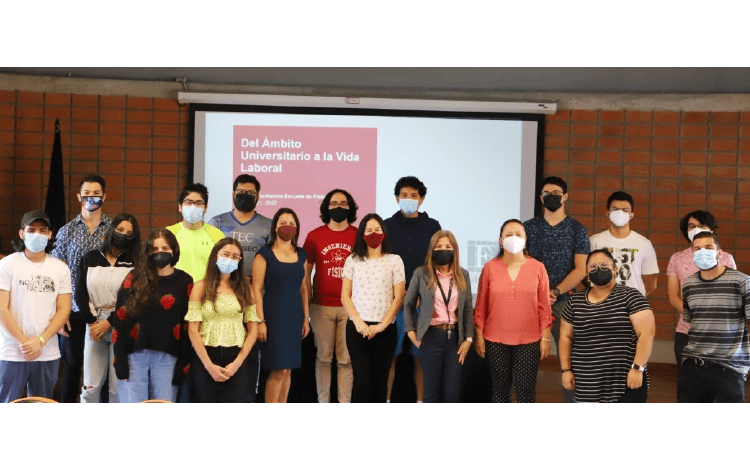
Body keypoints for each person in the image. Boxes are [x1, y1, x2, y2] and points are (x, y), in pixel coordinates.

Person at [523, 175, 589, 402]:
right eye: (547, 193)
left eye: (556, 193)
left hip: (565, 302)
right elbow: (521, 264)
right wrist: (540, 293)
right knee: (525, 358)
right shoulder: (527, 228)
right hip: (530, 302)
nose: (551, 197)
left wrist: (556, 291)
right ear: (541, 198)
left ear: (566, 196)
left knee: (570, 360)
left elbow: (581, 269)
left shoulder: (577, 229)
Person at [559, 249, 655, 403]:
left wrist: (637, 368)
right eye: (592, 266)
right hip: (586, 382)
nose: (598, 269)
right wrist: (566, 369)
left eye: (604, 265)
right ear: (586, 273)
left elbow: (646, 334)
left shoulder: (631, 296)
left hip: (624, 381)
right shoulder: (575, 301)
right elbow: (565, 336)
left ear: (615, 270)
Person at [208, 174, 271, 402]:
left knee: (251, 351)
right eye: (241, 192)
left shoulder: (268, 225)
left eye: (251, 193)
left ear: (258, 197)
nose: (246, 196)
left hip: (255, 295)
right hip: (221, 295)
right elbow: (211, 259)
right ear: (233, 194)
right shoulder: (216, 222)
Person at [473, 219, 552, 403]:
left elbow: (545, 308)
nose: (514, 238)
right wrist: (478, 335)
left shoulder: (538, 268)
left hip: (529, 340)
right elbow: (481, 306)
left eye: (518, 234)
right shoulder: (490, 268)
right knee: (500, 391)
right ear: (500, 240)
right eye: (509, 235)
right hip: (495, 339)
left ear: (525, 239)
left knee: (526, 392)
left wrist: (546, 337)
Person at [51, 174, 112, 403]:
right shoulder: (67, 230)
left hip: (104, 311)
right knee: (72, 366)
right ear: (79, 196)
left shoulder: (114, 229)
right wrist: (60, 312)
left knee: (102, 371)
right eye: (86, 194)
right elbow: (57, 272)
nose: (91, 198)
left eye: (96, 194)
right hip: (74, 310)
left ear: (104, 196)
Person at [112, 229, 193, 403]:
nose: (160, 252)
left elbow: (188, 325)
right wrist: (119, 361)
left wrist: (183, 365)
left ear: (174, 250)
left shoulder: (185, 281)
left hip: (169, 357)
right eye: (154, 249)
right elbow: (120, 320)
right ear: (148, 252)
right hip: (135, 355)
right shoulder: (134, 277)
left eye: (165, 247)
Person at [0, 212, 71, 402]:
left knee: (41, 407)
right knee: (6, 404)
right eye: (31, 230)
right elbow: (1, 308)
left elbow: (63, 309)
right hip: (12, 352)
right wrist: (25, 343)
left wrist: (40, 341)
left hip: (47, 352)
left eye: (42, 230)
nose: (36, 234)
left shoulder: (60, 268)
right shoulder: (7, 265)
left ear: (49, 235)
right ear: (22, 233)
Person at [383, 176, 440, 403]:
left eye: (414, 196)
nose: (409, 199)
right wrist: (396, 293)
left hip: (422, 302)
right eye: (404, 195)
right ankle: (385, 402)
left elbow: (437, 264)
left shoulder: (432, 226)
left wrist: (421, 294)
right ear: (397, 198)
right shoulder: (386, 225)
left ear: (422, 199)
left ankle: (420, 402)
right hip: (392, 301)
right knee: (391, 357)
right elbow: (382, 262)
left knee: (421, 357)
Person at [677, 232, 750, 403]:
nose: (703, 252)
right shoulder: (688, 284)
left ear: (719, 253)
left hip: (728, 368)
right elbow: (691, 321)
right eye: (697, 249)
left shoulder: (741, 281)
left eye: (709, 248)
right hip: (694, 366)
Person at [76, 213, 140, 403]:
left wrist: (110, 322)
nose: (123, 235)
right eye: (120, 230)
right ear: (112, 229)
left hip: (122, 325)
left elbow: (134, 298)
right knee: (91, 386)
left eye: (129, 233)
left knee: (117, 388)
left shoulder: (136, 262)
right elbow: (80, 293)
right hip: (94, 324)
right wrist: (93, 322)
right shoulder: (90, 258)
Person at [342, 213, 405, 403]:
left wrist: (381, 326)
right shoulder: (352, 260)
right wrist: (360, 324)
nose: (373, 233)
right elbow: (345, 296)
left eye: (377, 230)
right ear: (362, 234)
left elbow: (399, 296)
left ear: (384, 233)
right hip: (357, 329)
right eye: (368, 230)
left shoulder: (395, 260)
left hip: (385, 330)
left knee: (380, 380)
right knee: (362, 380)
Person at [403, 230, 473, 403]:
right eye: (439, 246)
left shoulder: (463, 275)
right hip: (430, 337)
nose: (443, 250)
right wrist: (412, 333)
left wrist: (468, 339)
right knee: (431, 394)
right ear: (431, 250)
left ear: (454, 250)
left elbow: (467, 309)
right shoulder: (421, 273)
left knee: (452, 394)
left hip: (456, 340)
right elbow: (408, 304)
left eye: (448, 246)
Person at [302, 189, 358, 403]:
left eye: (343, 203)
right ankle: (323, 403)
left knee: (345, 360)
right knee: (323, 358)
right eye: (334, 203)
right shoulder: (315, 235)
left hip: (349, 306)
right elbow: (306, 270)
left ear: (350, 208)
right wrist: (308, 301)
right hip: (321, 305)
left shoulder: (357, 235)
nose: (338, 207)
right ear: (326, 207)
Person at [186, 238, 258, 403]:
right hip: (205, 355)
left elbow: (253, 329)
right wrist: (208, 366)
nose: (230, 259)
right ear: (215, 256)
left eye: (235, 257)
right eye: (226, 254)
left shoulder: (246, 288)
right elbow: (193, 328)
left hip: (236, 355)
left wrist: (237, 364)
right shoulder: (200, 287)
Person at [252, 208, 309, 403]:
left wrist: (306, 318)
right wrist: (260, 321)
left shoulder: (301, 254)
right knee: (279, 369)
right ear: (275, 226)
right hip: (273, 317)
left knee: (288, 370)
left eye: (292, 223)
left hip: (294, 317)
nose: (288, 226)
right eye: (283, 222)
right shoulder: (264, 254)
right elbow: (256, 289)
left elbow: (303, 289)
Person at [667, 210, 736, 368]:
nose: (696, 229)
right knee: (688, 383)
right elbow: (673, 296)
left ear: (711, 229)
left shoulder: (725, 258)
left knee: (718, 383)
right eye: (691, 226)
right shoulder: (677, 258)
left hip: (719, 333)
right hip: (686, 331)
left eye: (701, 225)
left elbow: (731, 295)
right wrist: (693, 317)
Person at [589, 191, 659, 296]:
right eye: (615, 209)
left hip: (633, 305)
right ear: (608, 214)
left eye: (625, 210)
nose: (620, 213)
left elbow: (651, 282)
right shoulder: (594, 241)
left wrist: (637, 298)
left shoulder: (644, 244)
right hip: (601, 303)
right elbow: (585, 274)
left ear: (631, 215)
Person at [167, 182, 225, 283]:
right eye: (188, 202)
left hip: (205, 293)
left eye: (199, 203)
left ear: (206, 208)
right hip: (176, 291)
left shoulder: (217, 235)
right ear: (180, 207)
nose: (193, 206)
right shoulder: (169, 233)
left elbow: (221, 269)